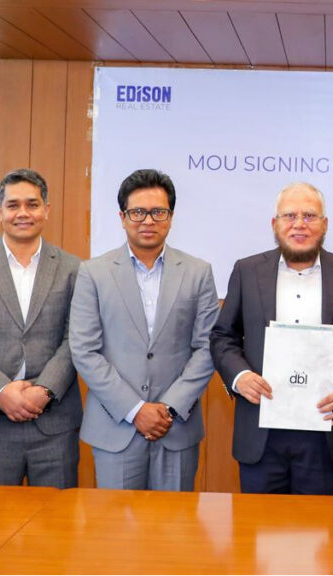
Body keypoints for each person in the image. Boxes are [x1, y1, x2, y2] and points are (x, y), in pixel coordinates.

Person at [210, 182, 333, 495]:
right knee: (257, 525)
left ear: (325, 224)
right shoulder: (247, 270)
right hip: (261, 428)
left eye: (309, 216)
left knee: (321, 526)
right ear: (275, 224)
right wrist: (240, 376)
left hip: (325, 431)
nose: (299, 224)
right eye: (290, 216)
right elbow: (223, 336)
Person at [70, 169, 219, 491]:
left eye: (158, 212)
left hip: (176, 427)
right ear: (122, 217)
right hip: (116, 426)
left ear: (171, 217)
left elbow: (207, 347)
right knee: (115, 523)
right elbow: (84, 350)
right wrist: (135, 410)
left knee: (175, 521)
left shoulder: (198, 272)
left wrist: (168, 407)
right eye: (138, 212)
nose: (148, 221)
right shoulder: (93, 273)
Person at [0, 168, 82, 488]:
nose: (23, 213)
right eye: (13, 205)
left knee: (57, 517)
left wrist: (44, 390)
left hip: (53, 424)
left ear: (46, 210)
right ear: (0, 212)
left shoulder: (73, 269)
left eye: (32, 204)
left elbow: (76, 339)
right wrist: (2, 391)